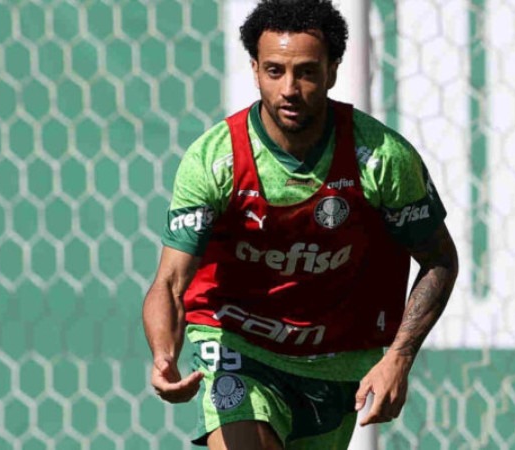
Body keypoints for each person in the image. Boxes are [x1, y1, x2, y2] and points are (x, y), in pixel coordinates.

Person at [142, 0, 458, 448]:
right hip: (238, 346)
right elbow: (170, 283)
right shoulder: (214, 160)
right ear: (254, 70)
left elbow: (439, 260)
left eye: (306, 72)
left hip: (337, 360)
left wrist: (400, 357)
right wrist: (162, 355)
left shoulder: (382, 159)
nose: (289, 88)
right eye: (274, 71)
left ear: (332, 71)